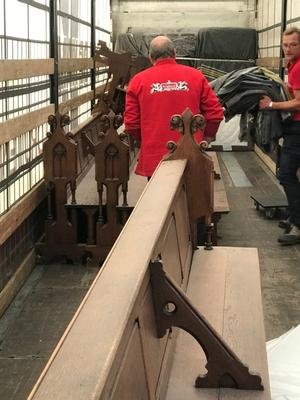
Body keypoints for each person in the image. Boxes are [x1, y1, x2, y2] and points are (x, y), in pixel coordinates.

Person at [124, 35, 224, 178]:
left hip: (156, 157)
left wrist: (146, 140)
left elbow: (131, 124)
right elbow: (215, 113)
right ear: (175, 53)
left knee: (160, 199)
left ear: (150, 57)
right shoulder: (196, 76)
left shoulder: (138, 81)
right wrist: (207, 137)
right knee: (193, 198)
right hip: (192, 154)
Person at [260, 27, 300, 245]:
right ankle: (295, 217)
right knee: (289, 173)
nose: (288, 49)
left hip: (298, 128)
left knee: (286, 175)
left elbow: (299, 103)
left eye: (293, 44)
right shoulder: (292, 65)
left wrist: (271, 104)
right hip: (295, 128)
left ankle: (298, 225)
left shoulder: (298, 67)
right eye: (285, 45)